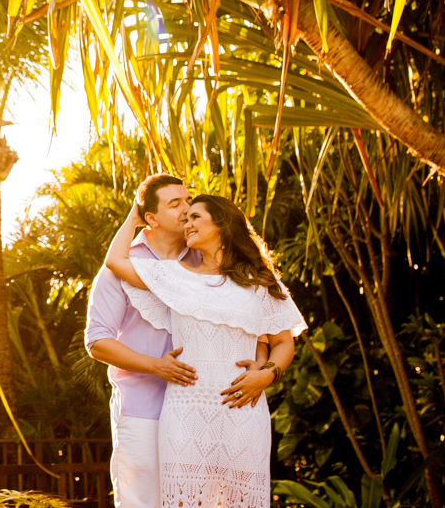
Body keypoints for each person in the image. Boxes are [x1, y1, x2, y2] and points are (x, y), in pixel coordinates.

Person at [103, 193, 306, 508]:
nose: (187, 222)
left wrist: (266, 376)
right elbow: (115, 261)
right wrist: (136, 214)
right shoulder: (173, 276)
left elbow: (283, 342)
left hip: (243, 412)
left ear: (222, 223)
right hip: (184, 413)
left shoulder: (259, 282)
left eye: (195, 216)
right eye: (186, 217)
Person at [85, 174, 208, 508]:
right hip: (141, 410)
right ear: (149, 218)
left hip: (203, 408)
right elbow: (97, 341)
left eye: (188, 199)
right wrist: (156, 367)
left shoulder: (206, 260)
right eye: (175, 203)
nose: (187, 208)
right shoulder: (120, 266)